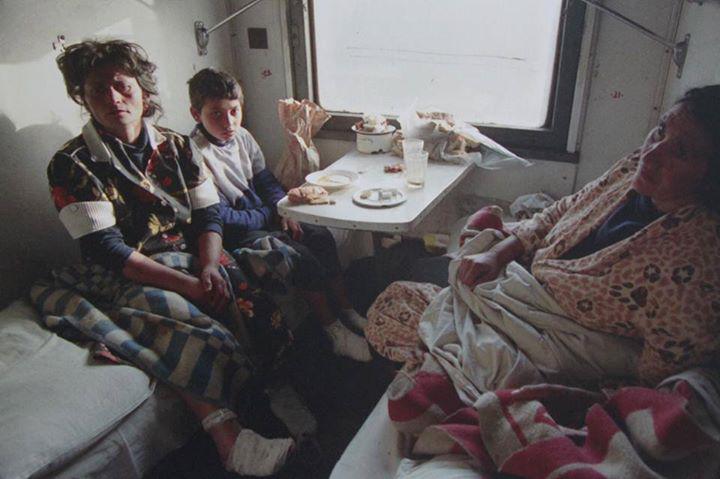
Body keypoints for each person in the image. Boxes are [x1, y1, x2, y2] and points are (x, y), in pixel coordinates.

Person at [36, 40, 294, 477]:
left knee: (246, 298)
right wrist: (188, 285)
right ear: (83, 98)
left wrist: (208, 267)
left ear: (143, 90)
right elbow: (107, 249)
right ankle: (228, 440)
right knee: (187, 323)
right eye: (97, 90)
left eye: (122, 85)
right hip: (128, 270)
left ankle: (268, 394)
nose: (113, 98)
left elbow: (208, 216)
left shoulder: (176, 146)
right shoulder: (72, 164)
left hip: (189, 254)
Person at [368, 85, 720, 386]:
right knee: (402, 281)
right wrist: (498, 254)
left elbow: (656, 373)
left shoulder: (697, 266)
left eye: (681, 151)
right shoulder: (632, 170)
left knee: (391, 308)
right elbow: (562, 209)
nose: (653, 154)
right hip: (523, 283)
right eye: (660, 130)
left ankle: (428, 373)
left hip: (552, 334)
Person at [187, 68, 372, 362]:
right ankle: (334, 331)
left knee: (319, 235)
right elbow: (221, 217)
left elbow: (266, 182)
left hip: (263, 215)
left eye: (234, 111)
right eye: (217, 114)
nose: (229, 122)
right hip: (238, 232)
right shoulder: (195, 155)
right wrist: (271, 214)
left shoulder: (242, 137)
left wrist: (283, 209)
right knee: (299, 257)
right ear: (196, 114)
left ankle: (347, 308)